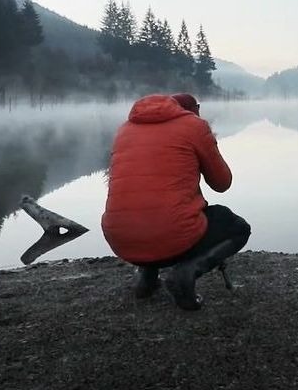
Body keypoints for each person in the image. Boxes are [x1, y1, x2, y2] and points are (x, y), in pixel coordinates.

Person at [101, 93, 251, 310]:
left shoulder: (124, 130)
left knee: (148, 211)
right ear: (193, 110)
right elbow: (222, 183)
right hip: (170, 234)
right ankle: (187, 271)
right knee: (237, 228)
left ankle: (147, 279)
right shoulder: (194, 126)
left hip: (120, 239)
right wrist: (208, 146)